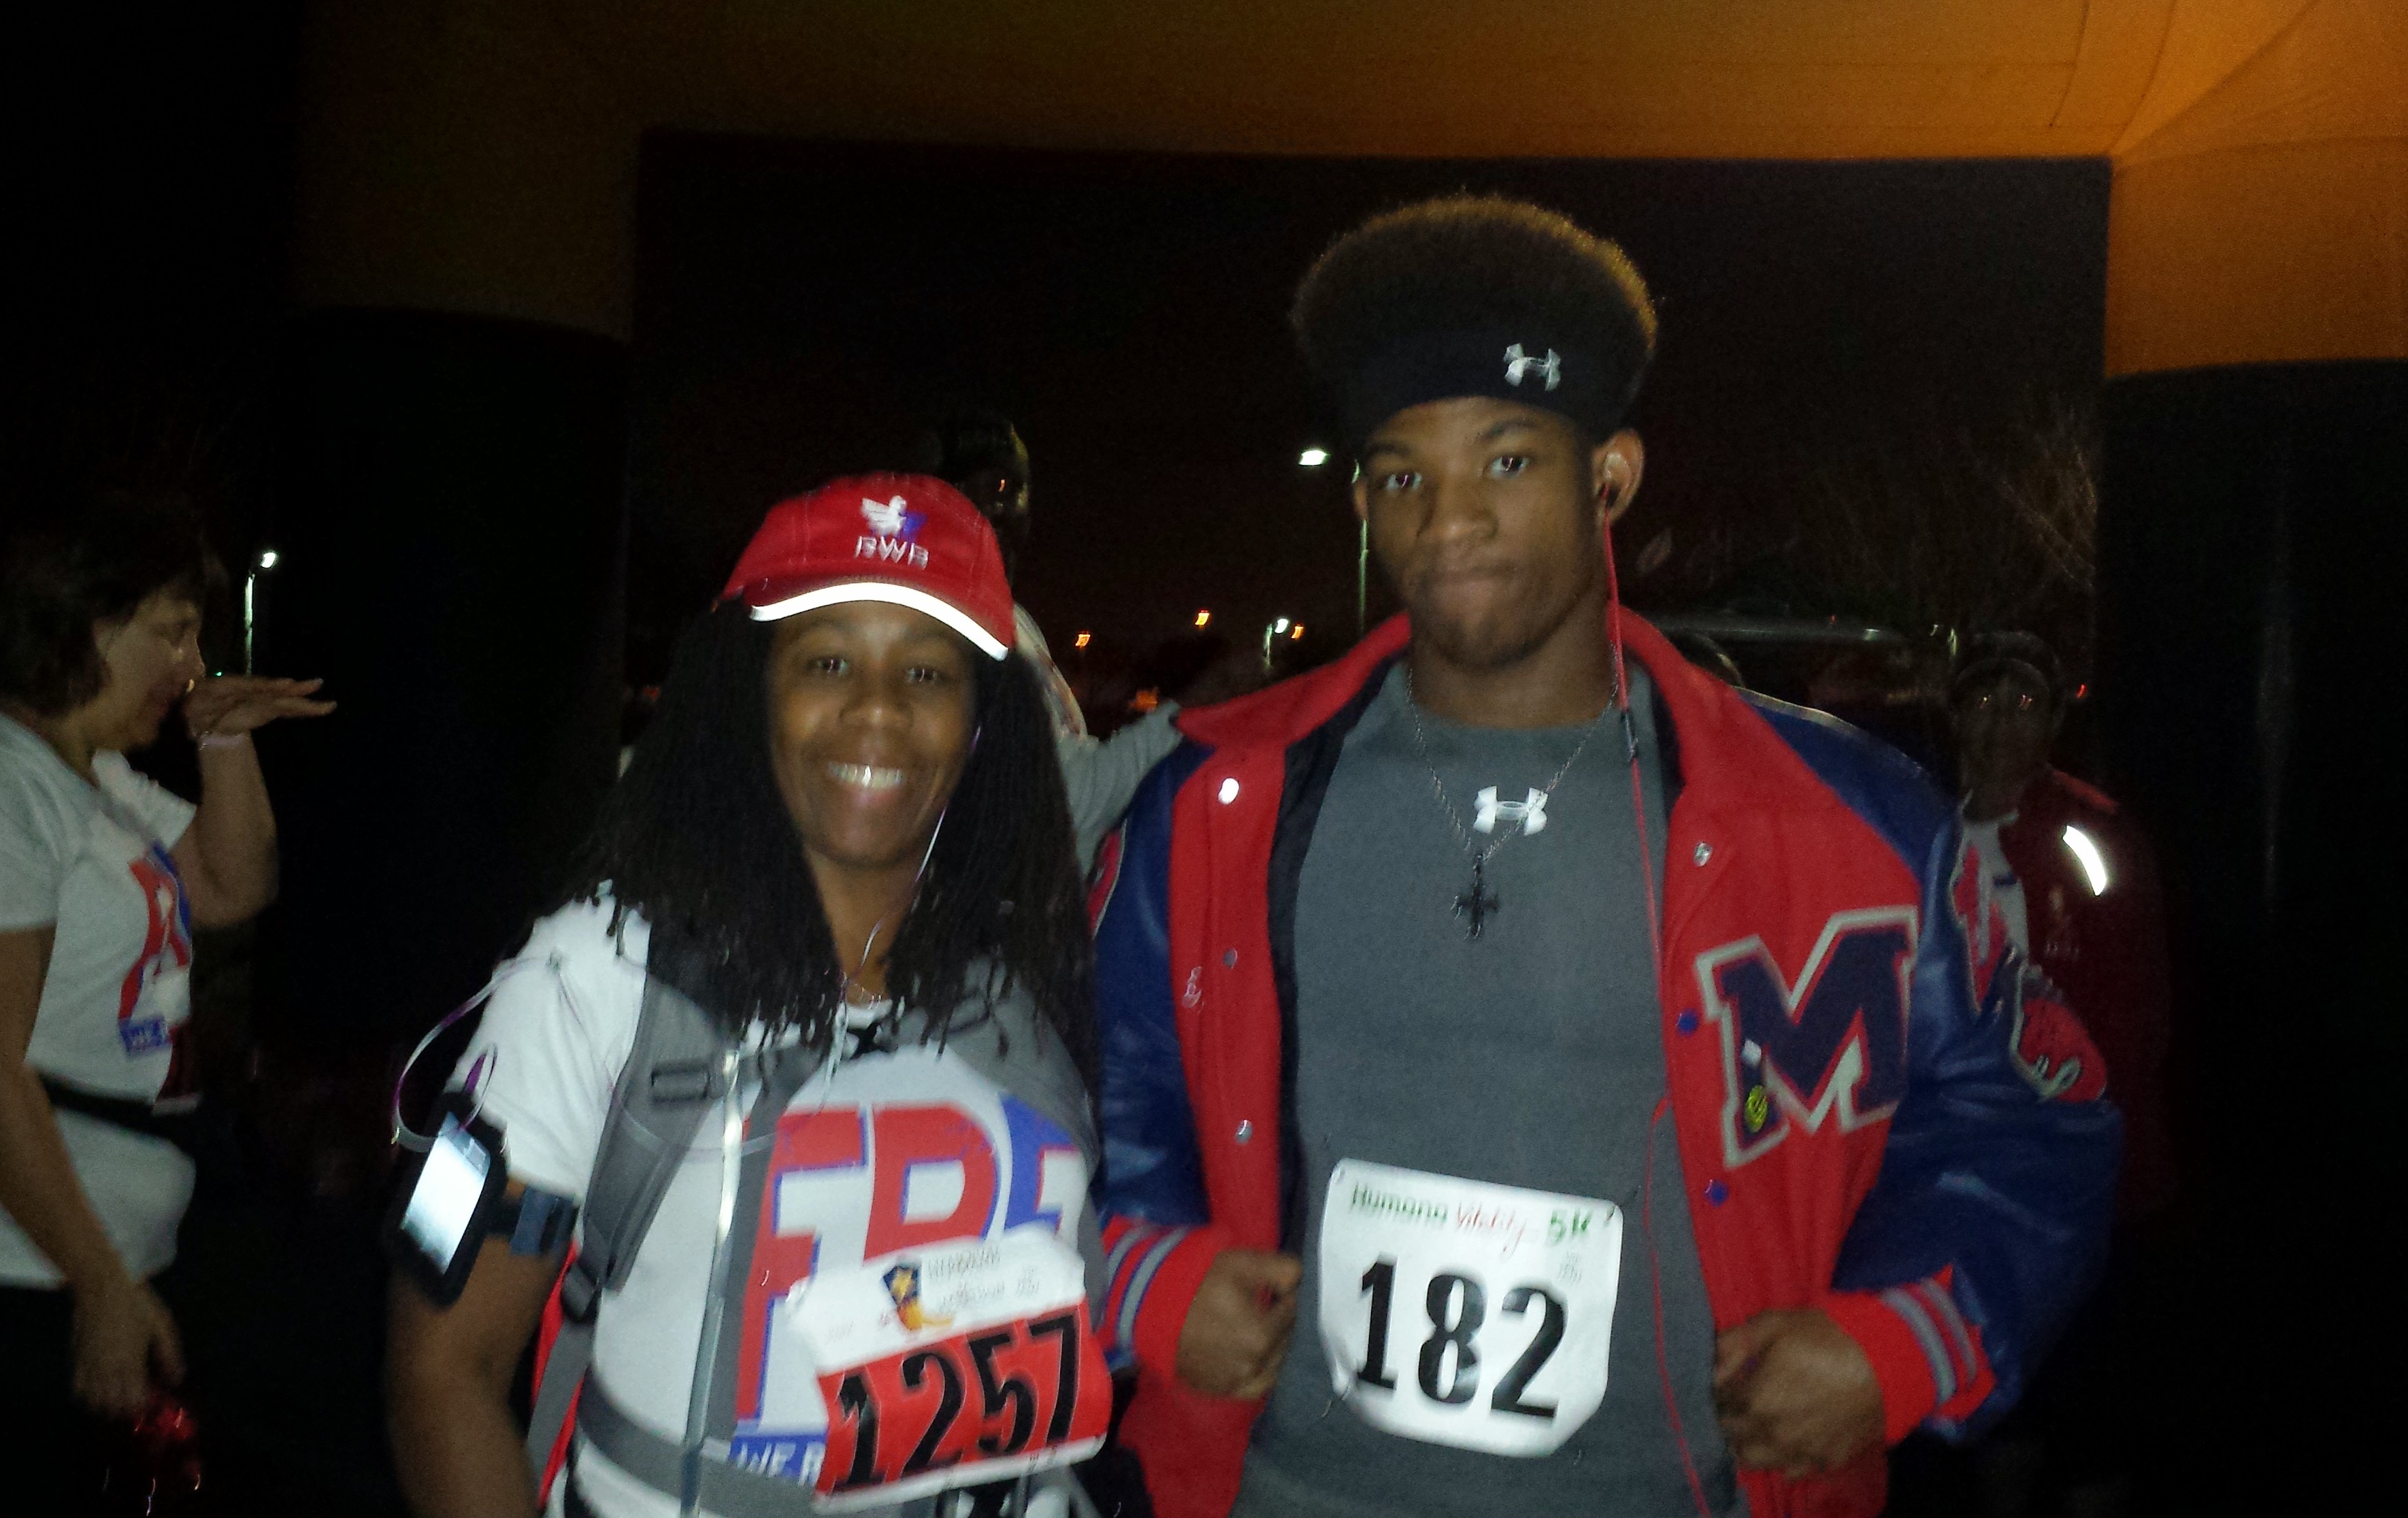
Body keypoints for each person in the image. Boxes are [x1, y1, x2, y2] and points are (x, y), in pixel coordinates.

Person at [1087, 198, 2119, 1518]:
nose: (1447, 520)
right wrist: (1150, 1277)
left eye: (1507, 461)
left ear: (1610, 478)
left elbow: (2024, 1112)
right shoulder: (1214, 807)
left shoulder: (1840, 823)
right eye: (1401, 476)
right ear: (1358, 499)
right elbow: (1094, 1097)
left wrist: (1904, 1335)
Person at [388, 474, 1123, 1518]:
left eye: (927, 670)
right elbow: (439, 1371)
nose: (878, 705)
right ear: (746, 692)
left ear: (980, 725)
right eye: (827, 660)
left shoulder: (1027, 983)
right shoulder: (595, 974)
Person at [0, 494, 330, 1513]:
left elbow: (232, 884)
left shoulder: (87, 778)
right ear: (81, 622)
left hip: (69, 1262)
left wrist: (225, 741)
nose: (192, 665)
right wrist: (97, 1280)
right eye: (173, 631)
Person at [1943, 653, 2175, 1517]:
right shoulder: (1926, 837)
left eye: (2025, 701)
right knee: (2002, 1390)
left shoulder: (2091, 834)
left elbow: (2134, 1005)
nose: (2003, 719)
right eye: (1984, 699)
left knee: (2093, 1404)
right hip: (1977, 1181)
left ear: (2053, 720)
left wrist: (2081, 1139)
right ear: (1955, 717)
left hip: (2088, 1177)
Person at [924, 413, 1206, 856]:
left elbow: (1073, 766)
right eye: (962, 492)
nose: (995, 510)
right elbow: (1073, 801)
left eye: (1010, 489)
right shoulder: (948, 626)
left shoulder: (1013, 617)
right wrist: (1193, 712)